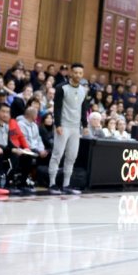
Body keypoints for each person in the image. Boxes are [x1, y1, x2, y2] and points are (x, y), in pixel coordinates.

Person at [48, 63, 88, 195]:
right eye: (75, 72)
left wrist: (85, 125)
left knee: (71, 156)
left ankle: (66, 184)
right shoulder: (61, 88)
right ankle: (52, 183)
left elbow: (83, 109)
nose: (78, 75)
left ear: (82, 75)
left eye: (80, 73)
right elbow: (57, 108)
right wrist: (57, 124)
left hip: (75, 128)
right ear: (71, 73)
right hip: (63, 125)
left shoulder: (83, 90)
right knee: (57, 154)